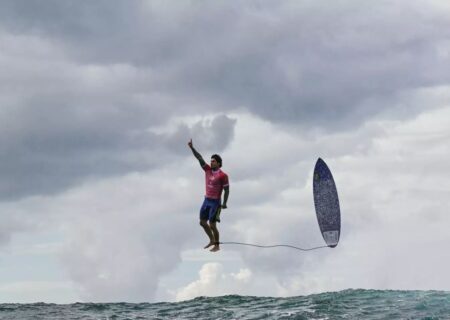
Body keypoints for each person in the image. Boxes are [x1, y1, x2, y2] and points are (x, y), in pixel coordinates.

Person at [188, 139, 229, 252]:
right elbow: (199, 158)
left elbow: (227, 190)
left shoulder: (223, 175)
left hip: (215, 203)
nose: (211, 163)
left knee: (212, 225)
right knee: (202, 222)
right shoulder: (207, 170)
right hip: (206, 200)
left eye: (214, 161)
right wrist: (192, 148)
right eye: (211, 161)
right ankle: (211, 240)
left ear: (219, 163)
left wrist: (225, 203)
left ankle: (217, 245)